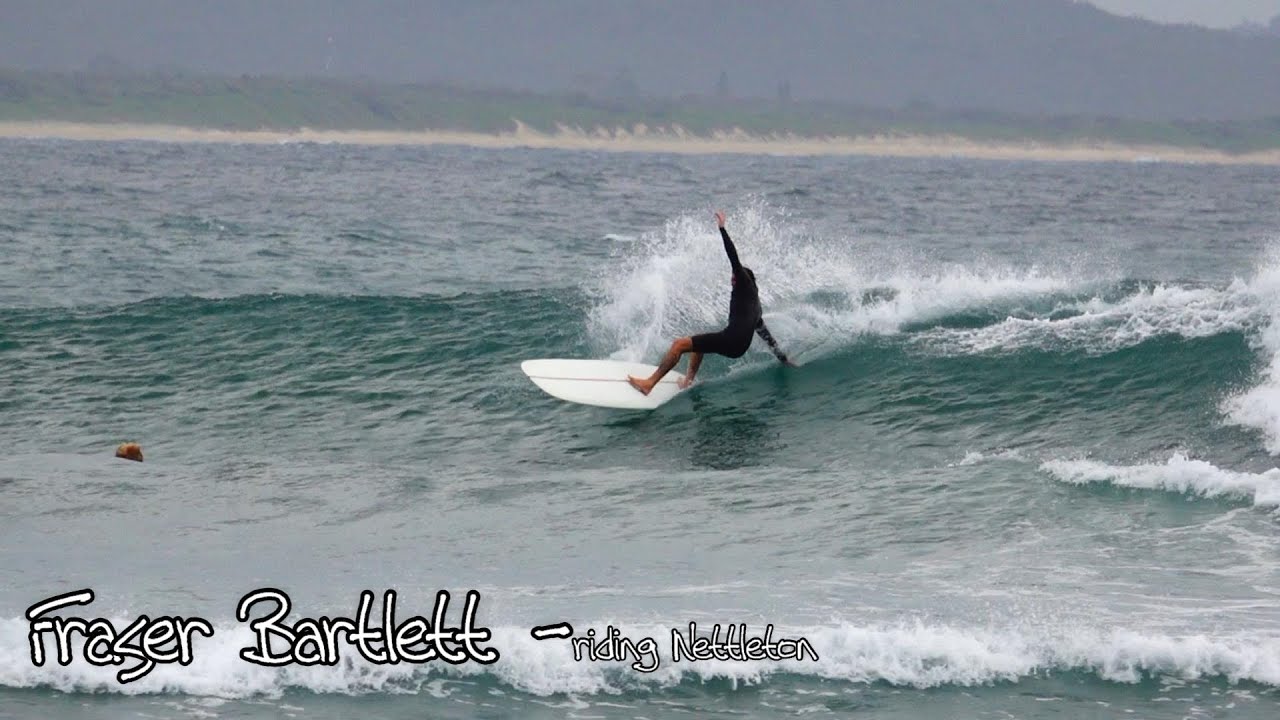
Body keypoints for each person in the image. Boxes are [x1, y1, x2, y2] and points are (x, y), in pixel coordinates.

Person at [627, 211, 795, 395]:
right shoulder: (755, 306)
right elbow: (766, 335)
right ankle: (687, 382)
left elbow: (733, 257)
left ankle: (649, 384)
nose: (732, 278)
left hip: (731, 339)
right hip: (739, 347)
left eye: (734, 276)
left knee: (678, 345)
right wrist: (783, 359)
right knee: (698, 345)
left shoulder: (744, 282)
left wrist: (722, 229)